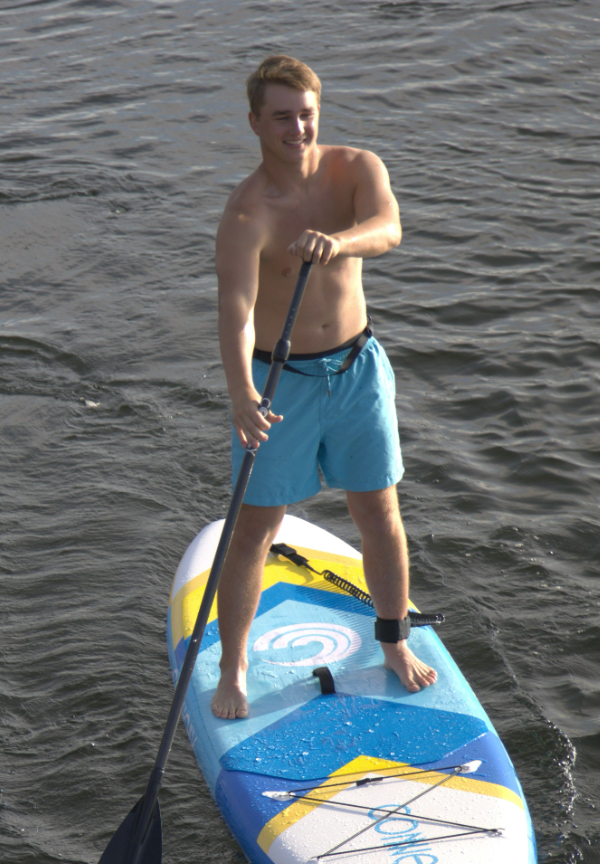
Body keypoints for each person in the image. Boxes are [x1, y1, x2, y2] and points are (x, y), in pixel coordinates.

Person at [211, 54, 436, 721]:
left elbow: (390, 228)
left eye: (306, 114)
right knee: (255, 527)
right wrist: (241, 398)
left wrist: (339, 244)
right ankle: (234, 666)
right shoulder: (247, 214)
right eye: (282, 117)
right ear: (255, 122)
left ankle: (393, 641)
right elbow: (234, 312)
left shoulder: (356, 169)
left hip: (357, 368)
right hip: (278, 380)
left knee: (380, 513)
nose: (297, 129)